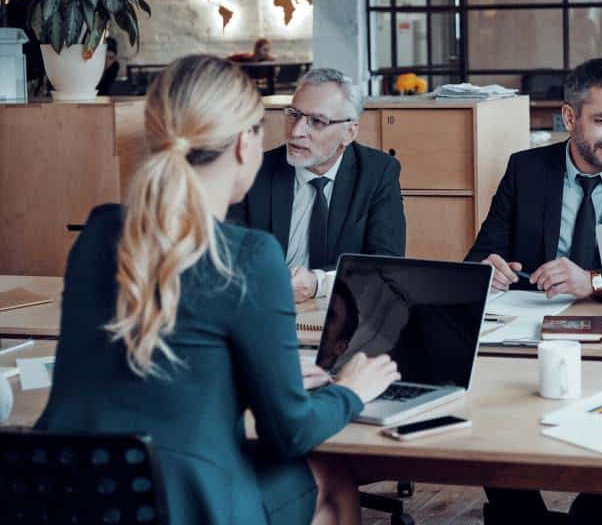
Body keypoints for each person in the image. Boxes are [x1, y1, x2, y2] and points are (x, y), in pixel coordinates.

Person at [36, 54, 401, 525]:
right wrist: (351, 389)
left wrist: (260, 371)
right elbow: (289, 435)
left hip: (71, 497)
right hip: (188, 506)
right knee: (328, 474)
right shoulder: (250, 256)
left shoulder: (97, 234)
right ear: (245, 145)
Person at [465, 57, 602, 525]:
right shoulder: (526, 169)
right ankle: (522, 513)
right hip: (531, 334)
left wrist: (594, 282)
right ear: (570, 118)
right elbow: (480, 254)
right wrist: (489, 267)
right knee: (485, 405)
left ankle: (596, 513)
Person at [228, 67, 406, 303]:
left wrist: (318, 283)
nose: (296, 131)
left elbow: (386, 265)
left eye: (317, 121)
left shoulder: (377, 173)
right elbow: (228, 258)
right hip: (265, 305)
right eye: (293, 114)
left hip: (344, 310)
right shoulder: (256, 170)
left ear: (349, 133)